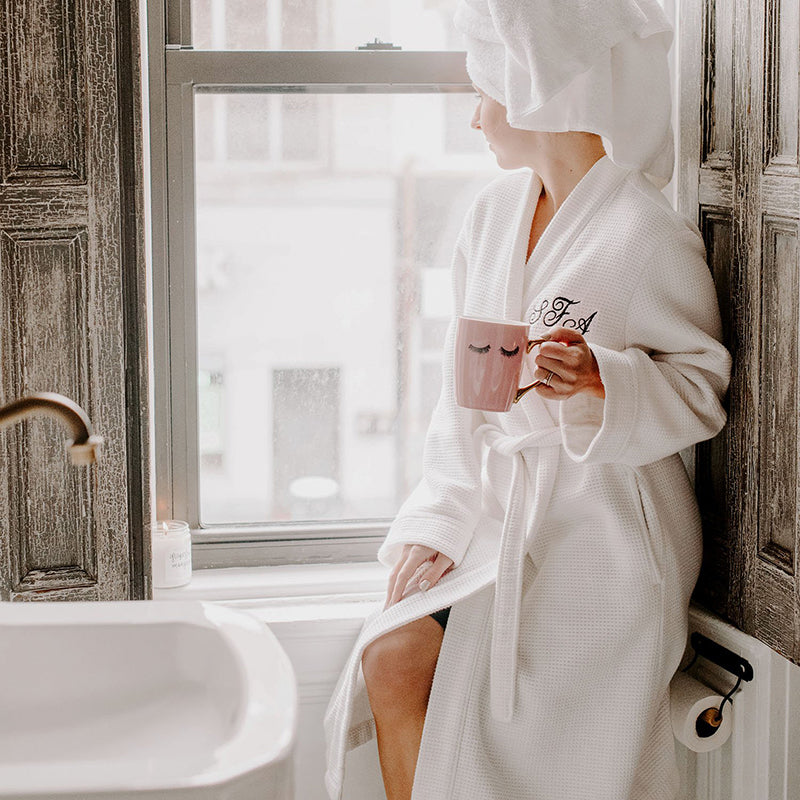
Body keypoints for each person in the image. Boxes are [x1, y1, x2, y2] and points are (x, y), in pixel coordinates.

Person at [325, 2, 732, 799]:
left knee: (569, 766)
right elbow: (466, 400)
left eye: (484, 89)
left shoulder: (645, 233)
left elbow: (701, 388)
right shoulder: (488, 218)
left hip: (610, 538)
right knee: (393, 654)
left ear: (538, 87)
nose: (475, 116)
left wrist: (600, 381)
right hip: (503, 516)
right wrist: (439, 520)